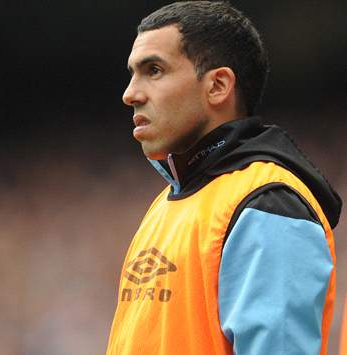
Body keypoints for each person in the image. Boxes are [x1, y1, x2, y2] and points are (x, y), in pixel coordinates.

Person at [106, 2, 342, 355]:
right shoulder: (170, 201)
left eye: (153, 70)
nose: (131, 94)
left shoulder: (267, 206)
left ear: (218, 86)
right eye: (132, 74)